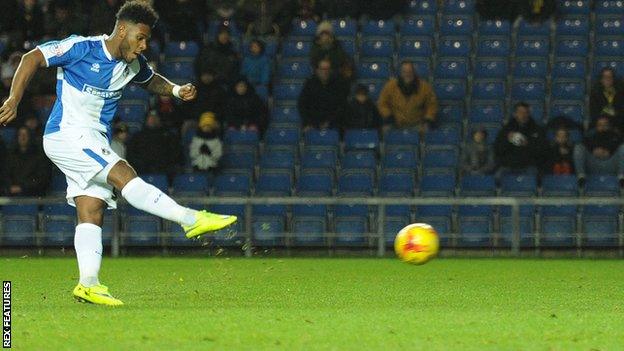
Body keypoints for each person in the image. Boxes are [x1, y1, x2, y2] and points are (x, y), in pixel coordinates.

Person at [0, 1, 236, 306]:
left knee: (91, 208)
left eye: (147, 40)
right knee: (123, 172)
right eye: (140, 37)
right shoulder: (81, 48)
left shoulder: (132, 64)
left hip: (91, 138)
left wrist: (176, 91)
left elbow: (150, 80)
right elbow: (33, 57)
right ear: (122, 29)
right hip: (67, 134)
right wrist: (14, 99)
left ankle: (88, 284)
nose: (143, 45)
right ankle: (189, 219)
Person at [377, 61, 438, 131]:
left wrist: (428, 119)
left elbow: (432, 105)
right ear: (401, 72)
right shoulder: (390, 86)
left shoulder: (425, 87)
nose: (407, 74)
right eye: (404, 71)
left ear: (414, 72)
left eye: (410, 71)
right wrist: (388, 116)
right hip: (395, 123)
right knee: (385, 130)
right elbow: (382, 103)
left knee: (426, 129)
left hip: (417, 124)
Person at [494, 102, 547, 177]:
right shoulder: (506, 130)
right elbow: (498, 150)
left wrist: (527, 143)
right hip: (508, 166)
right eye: (520, 112)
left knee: (534, 175)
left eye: (526, 112)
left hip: (529, 166)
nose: (523, 115)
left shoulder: (537, 130)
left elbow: (543, 151)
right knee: (497, 176)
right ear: (515, 114)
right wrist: (507, 141)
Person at [298, 59, 350, 130]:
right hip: (312, 124)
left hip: (334, 125)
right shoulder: (309, 84)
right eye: (322, 69)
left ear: (331, 70)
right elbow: (302, 105)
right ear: (317, 70)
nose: (325, 72)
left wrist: (329, 123)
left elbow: (342, 106)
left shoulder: (338, 85)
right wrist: (310, 123)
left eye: (327, 69)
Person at [574, 115, 624, 182]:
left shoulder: (615, 135)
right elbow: (583, 143)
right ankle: (581, 176)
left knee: (623, 148)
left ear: (609, 126)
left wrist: (609, 151)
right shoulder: (591, 136)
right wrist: (593, 150)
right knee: (578, 147)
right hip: (594, 164)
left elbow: (619, 144)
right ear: (596, 126)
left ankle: (621, 178)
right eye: (600, 124)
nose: (602, 126)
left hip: (610, 164)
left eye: (605, 124)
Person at [5, 127, 51, 197]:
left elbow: (42, 179)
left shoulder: (39, 156)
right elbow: (6, 175)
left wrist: (22, 188)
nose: (23, 137)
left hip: (33, 195)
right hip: (12, 195)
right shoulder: (10, 156)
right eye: (20, 135)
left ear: (30, 137)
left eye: (25, 135)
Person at [590, 68, 624, 132]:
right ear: (601, 79)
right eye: (605, 77)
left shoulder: (621, 93)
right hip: (600, 124)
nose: (607, 79)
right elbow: (594, 112)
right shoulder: (595, 94)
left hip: (618, 124)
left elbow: (621, 111)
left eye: (609, 77)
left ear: (613, 79)